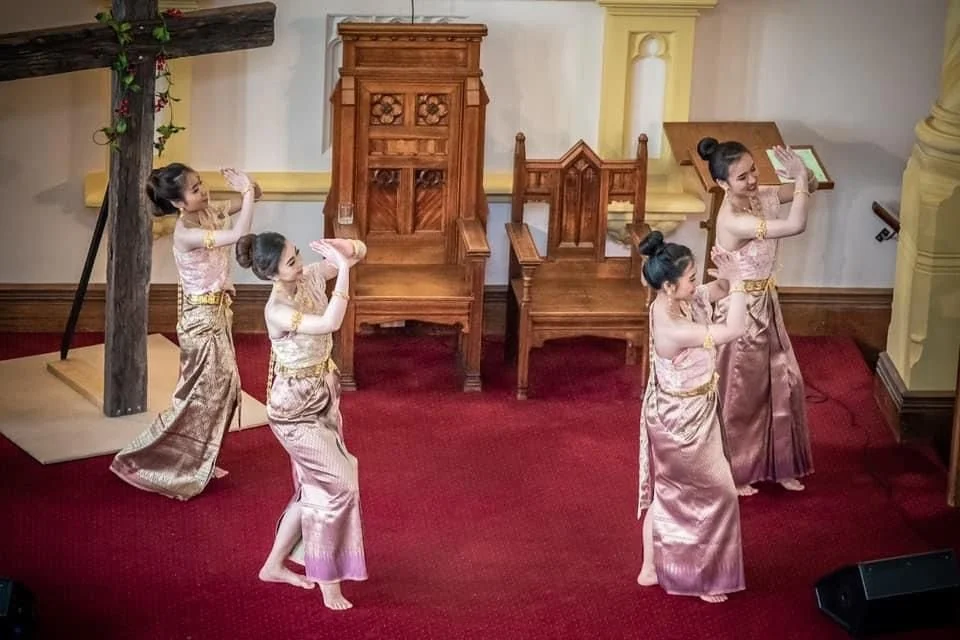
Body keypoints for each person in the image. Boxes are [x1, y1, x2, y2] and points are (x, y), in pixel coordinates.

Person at [110, 163, 260, 500]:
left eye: (201, 183)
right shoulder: (185, 233)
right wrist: (247, 192)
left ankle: (198, 461)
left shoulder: (207, 212)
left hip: (217, 313)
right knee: (198, 396)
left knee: (223, 390)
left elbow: (251, 199)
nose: (203, 191)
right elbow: (238, 235)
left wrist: (247, 186)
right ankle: (146, 460)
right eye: (195, 189)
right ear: (178, 204)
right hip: (201, 321)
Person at [236, 231, 368, 610]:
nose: (298, 263)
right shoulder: (276, 308)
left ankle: (274, 564)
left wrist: (349, 249)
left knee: (315, 486)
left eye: (296, 254)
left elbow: (357, 255)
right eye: (291, 261)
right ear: (273, 274)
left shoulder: (305, 276)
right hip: (293, 411)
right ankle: (326, 575)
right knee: (339, 485)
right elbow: (329, 322)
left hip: (323, 397)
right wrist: (343, 269)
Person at [699, 137, 817, 496]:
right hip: (741, 311)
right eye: (742, 177)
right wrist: (798, 181)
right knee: (743, 394)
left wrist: (802, 173)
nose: (752, 180)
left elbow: (804, 187)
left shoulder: (758, 195)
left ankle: (779, 463)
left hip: (766, 301)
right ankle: (735, 469)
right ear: (722, 184)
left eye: (753, 171)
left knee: (782, 383)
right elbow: (796, 223)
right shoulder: (733, 219)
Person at [636, 230, 748, 603]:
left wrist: (730, 274)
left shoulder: (672, 301)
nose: (696, 283)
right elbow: (733, 329)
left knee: (670, 490)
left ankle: (651, 567)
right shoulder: (674, 326)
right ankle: (703, 576)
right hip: (680, 423)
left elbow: (714, 292)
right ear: (669, 286)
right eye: (691, 278)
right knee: (720, 494)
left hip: (690, 410)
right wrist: (743, 281)